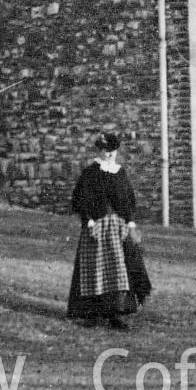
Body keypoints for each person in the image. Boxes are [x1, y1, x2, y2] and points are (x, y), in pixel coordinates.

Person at [66, 133, 153, 328]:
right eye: (105, 150)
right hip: (97, 228)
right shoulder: (90, 172)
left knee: (119, 271)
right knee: (96, 271)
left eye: (112, 150)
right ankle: (93, 314)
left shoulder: (120, 172)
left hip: (118, 229)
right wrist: (88, 220)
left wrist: (129, 221)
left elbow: (128, 199)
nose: (109, 154)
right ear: (99, 151)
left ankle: (117, 313)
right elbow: (80, 198)